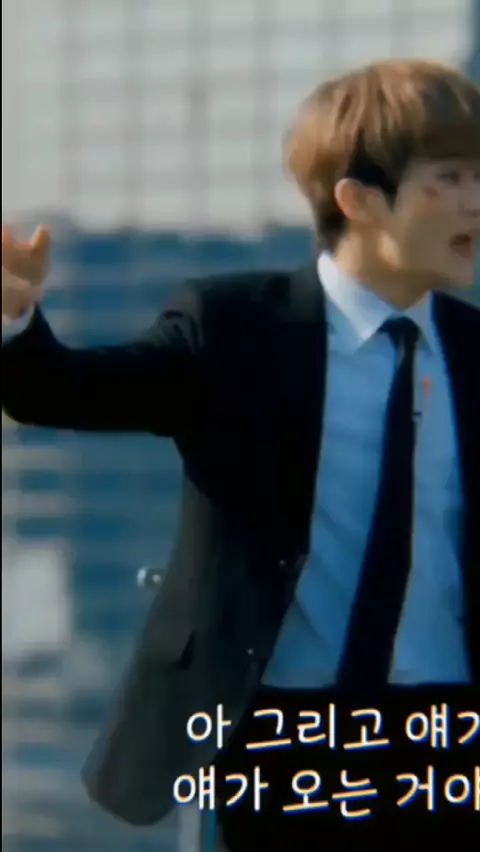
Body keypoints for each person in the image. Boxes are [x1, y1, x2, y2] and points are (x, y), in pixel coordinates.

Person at [2, 59, 479, 851]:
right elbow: (67, 392)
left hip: (445, 728)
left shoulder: (471, 351)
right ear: (359, 200)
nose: (476, 201)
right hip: (281, 727)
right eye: (451, 179)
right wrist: (16, 319)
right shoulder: (236, 328)